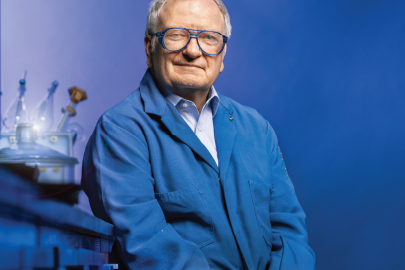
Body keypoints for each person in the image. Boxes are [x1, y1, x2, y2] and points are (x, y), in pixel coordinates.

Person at [82, 0, 316, 269]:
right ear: (149, 48)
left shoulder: (257, 129)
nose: (193, 50)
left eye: (208, 37)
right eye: (176, 35)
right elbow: (148, 245)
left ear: (223, 54)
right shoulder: (119, 132)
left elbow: (289, 232)